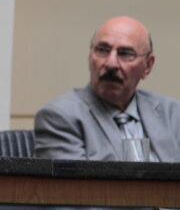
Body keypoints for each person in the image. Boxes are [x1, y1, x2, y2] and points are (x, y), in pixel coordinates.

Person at [34, 16, 180, 161]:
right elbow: (74, 184)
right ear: (90, 56)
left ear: (148, 65)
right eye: (103, 50)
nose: (111, 64)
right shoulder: (60, 116)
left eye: (125, 53)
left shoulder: (172, 114)